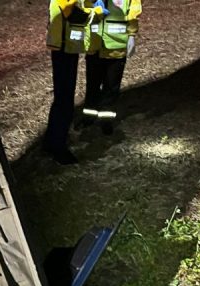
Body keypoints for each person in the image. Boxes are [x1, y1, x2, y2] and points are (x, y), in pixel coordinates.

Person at [44, 0, 109, 165]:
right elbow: (73, 13)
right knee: (64, 99)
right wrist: (97, 12)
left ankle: (51, 142)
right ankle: (58, 147)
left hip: (67, 45)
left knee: (63, 97)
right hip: (63, 46)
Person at [79, 0, 143, 135]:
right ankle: (89, 117)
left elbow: (134, 10)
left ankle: (106, 120)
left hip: (116, 46)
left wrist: (132, 34)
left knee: (111, 87)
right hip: (94, 44)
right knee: (92, 84)